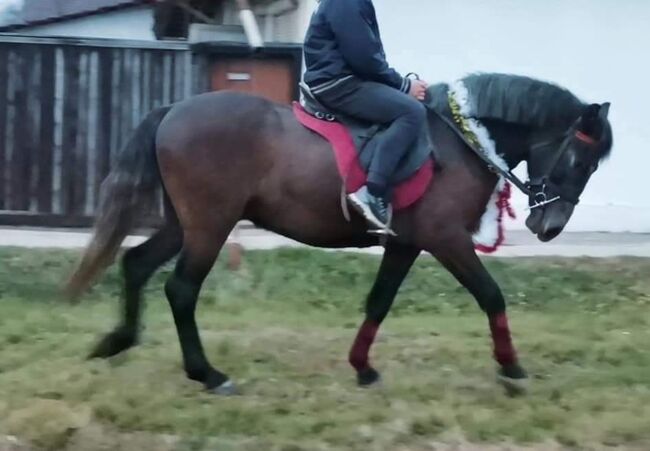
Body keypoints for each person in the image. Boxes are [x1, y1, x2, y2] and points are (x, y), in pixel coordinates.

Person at [303, 0, 428, 231]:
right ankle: (373, 192)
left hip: (336, 79)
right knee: (411, 111)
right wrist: (403, 85)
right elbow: (364, 58)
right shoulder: (347, 2)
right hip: (340, 83)